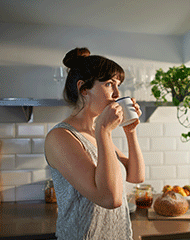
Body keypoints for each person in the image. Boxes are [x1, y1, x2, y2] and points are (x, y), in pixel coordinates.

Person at [44, 47, 145, 240]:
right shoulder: (61, 137)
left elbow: (136, 176)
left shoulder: (96, 133)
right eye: (109, 84)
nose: (117, 93)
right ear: (84, 88)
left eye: (118, 85)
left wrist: (130, 131)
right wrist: (104, 130)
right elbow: (110, 199)